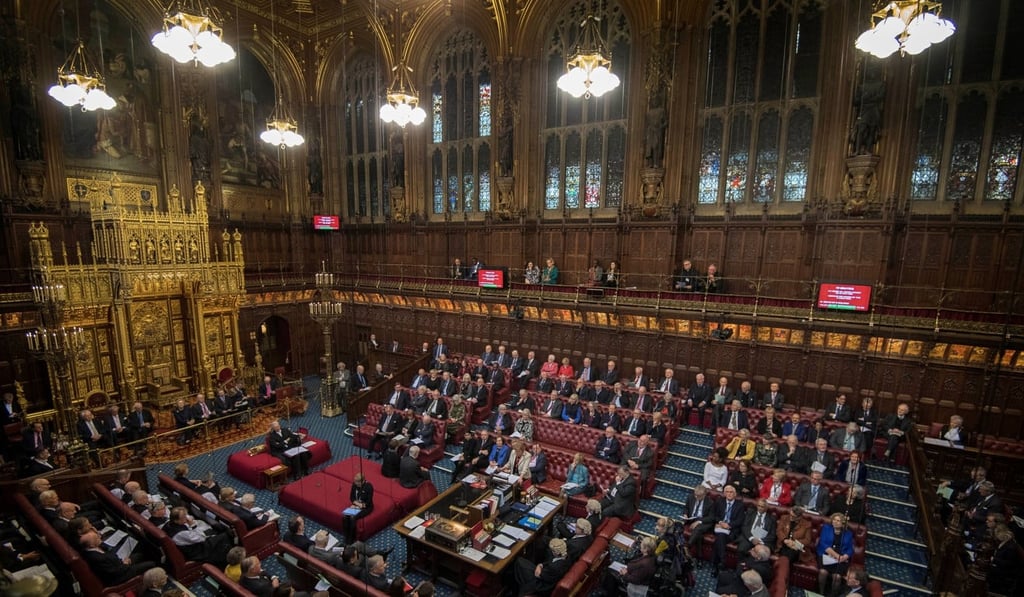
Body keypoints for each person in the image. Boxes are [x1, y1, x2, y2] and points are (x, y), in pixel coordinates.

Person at [78, 528, 155, 585]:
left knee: (139, 555)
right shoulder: (95, 558)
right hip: (119, 576)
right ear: (91, 545)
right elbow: (114, 573)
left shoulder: (92, 548)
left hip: (119, 563)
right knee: (151, 564)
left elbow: (107, 551)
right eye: (97, 538)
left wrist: (123, 562)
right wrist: (125, 564)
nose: (100, 537)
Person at [817, 513, 855, 595]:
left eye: (838, 520)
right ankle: (821, 593)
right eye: (834, 519)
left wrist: (845, 556)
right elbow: (823, 543)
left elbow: (850, 549)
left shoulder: (848, 534)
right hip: (826, 555)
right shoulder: (826, 528)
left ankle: (833, 595)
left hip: (841, 558)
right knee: (823, 572)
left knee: (837, 577)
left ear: (843, 523)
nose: (835, 522)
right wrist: (837, 556)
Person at [711, 485, 747, 568]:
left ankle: (717, 563)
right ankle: (721, 563)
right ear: (724, 493)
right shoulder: (720, 501)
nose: (729, 494)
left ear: (735, 494)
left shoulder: (740, 505)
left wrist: (729, 525)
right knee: (720, 536)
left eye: (731, 492)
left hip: (731, 530)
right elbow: (714, 515)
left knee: (719, 538)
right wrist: (720, 522)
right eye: (727, 492)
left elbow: (740, 520)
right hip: (719, 527)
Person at [988, 524, 1023, 596]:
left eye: (996, 535)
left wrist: (994, 559)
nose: (996, 537)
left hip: (1005, 576)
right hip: (1000, 570)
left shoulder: (1011, 547)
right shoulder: (1004, 542)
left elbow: (1009, 564)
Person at [342, 473, 374, 543]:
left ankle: (352, 538)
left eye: (357, 482)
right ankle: (346, 535)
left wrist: (358, 506)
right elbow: (351, 497)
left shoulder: (369, 487)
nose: (355, 483)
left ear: (362, 481)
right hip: (356, 505)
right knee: (345, 516)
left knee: (352, 517)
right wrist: (355, 504)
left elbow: (368, 502)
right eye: (355, 482)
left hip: (366, 507)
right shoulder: (354, 485)